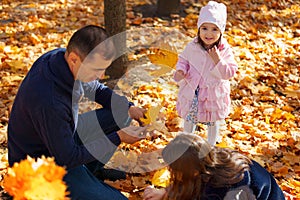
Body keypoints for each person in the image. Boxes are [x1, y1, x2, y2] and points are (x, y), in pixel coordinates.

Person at [7, 25, 148, 199]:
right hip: (39, 167)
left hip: (61, 141)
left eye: (104, 69)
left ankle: (89, 174)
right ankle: (81, 184)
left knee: (121, 113)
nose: (102, 75)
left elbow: (96, 89)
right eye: (97, 69)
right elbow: (67, 158)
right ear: (74, 59)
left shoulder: (63, 59)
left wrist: (129, 107)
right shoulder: (51, 101)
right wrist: (118, 137)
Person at [143, 133, 286, 200]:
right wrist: (167, 193)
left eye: (174, 169)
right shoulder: (208, 160)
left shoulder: (226, 189)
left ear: (191, 171)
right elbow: (191, 183)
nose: (170, 171)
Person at [174, 1, 238, 145]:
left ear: (221, 31)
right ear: (199, 29)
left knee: (212, 120)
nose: (209, 33)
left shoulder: (224, 50)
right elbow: (184, 59)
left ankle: (211, 145)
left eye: (214, 29)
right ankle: (186, 142)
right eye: (205, 28)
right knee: (190, 118)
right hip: (193, 91)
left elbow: (229, 72)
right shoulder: (193, 46)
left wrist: (217, 60)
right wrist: (181, 70)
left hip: (212, 94)